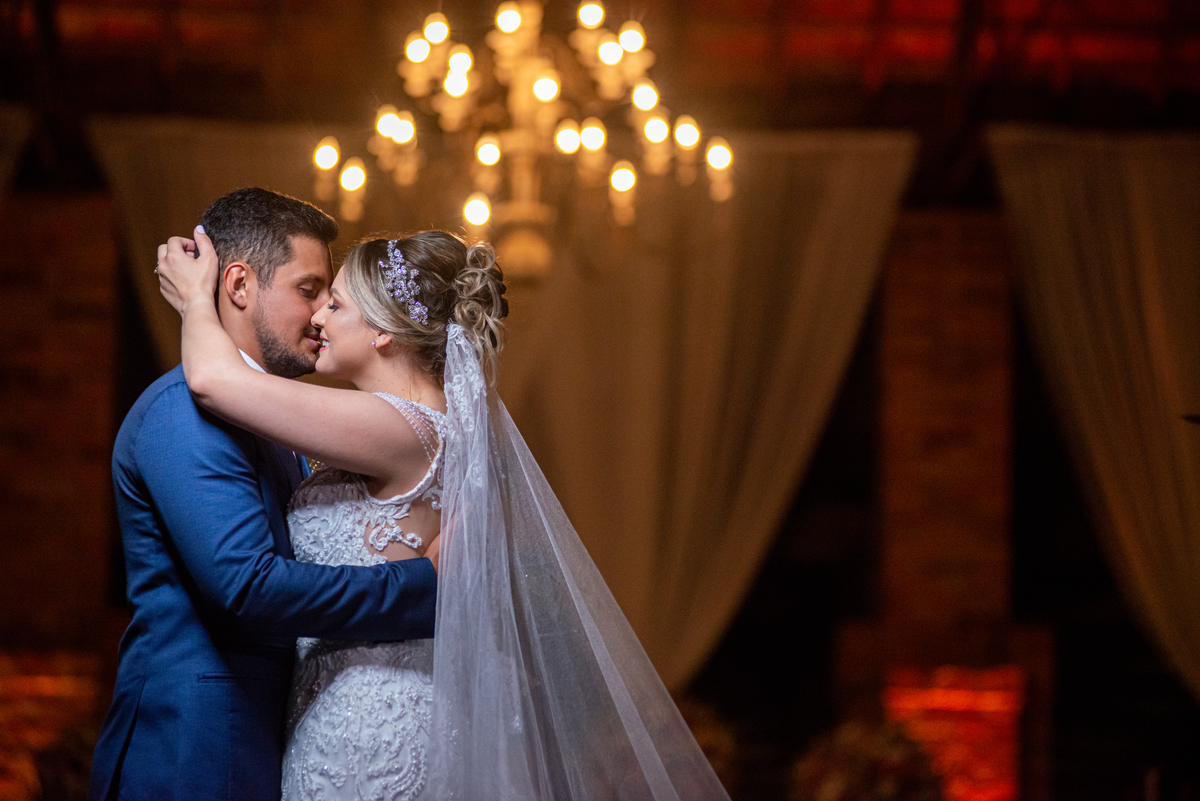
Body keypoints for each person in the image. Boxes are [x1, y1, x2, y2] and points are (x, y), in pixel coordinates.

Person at [156, 224, 731, 800]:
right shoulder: (418, 425)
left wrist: (192, 296)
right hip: (343, 712)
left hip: (372, 727)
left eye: (335, 304)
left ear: (382, 331)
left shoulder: (401, 426)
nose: (318, 320)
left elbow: (211, 380)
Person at [88, 189, 438, 801]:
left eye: (331, 297)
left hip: (281, 738)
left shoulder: (279, 420)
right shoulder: (185, 413)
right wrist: (420, 587)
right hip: (196, 747)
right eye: (309, 290)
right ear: (241, 285)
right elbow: (245, 585)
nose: (321, 314)